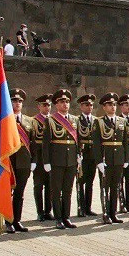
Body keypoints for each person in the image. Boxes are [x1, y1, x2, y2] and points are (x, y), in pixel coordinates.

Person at [42, 89, 81, 229]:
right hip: (56, 161)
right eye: (62, 102)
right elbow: (46, 144)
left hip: (70, 161)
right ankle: (58, 218)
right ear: (56, 104)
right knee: (56, 190)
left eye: (67, 102)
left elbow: (78, 140)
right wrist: (46, 161)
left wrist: (78, 155)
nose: (65, 104)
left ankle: (67, 217)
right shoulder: (50, 120)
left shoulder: (75, 120)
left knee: (68, 190)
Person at [91, 93, 128, 225]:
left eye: (114, 104)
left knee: (116, 187)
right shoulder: (98, 122)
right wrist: (99, 161)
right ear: (104, 107)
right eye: (109, 105)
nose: (113, 107)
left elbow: (125, 142)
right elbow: (96, 144)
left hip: (118, 159)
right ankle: (106, 213)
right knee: (105, 187)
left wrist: (126, 159)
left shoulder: (122, 121)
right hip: (106, 159)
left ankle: (114, 213)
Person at [7, 88, 33, 233]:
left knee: (20, 193)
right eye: (14, 101)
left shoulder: (29, 121)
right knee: (8, 192)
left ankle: (17, 220)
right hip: (9, 161)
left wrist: (33, 160)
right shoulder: (4, 121)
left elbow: (33, 142)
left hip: (24, 161)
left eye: (20, 101)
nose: (17, 103)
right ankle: (8, 221)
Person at [30, 94, 53, 220]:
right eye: (44, 105)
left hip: (50, 157)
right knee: (38, 186)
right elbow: (32, 141)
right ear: (39, 107)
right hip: (39, 157)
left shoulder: (54, 120)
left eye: (49, 105)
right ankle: (40, 211)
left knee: (50, 186)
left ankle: (48, 211)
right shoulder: (33, 121)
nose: (47, 107)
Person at [76, 94, 98, 217]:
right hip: (82, 154)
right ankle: (81, 208)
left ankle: (88, 207)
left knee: (90, 182)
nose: (89, 107)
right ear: (81, 106)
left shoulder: (96, 120)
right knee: (81, 181)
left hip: (93, 154)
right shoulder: (77, 120)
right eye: (86, 105)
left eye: (91, 105)